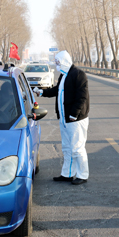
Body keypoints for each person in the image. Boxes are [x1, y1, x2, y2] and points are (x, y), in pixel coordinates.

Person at [33, 50, 90, 185]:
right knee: (67, 148)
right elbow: (56, 91)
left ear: (64, 61)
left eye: (58, 62)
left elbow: (82, 96)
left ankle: (82, 175)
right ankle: (67, 174)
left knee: (77, 148)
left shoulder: (78, 74)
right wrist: (41, 92)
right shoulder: (64, 75)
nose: (56, 64)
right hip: (64, 118)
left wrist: (74, 114)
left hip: (75, 119)